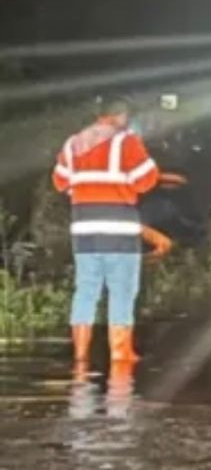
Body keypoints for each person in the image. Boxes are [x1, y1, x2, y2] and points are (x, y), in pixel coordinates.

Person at [52, 97, 160, 364]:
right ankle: (121, 352)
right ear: (121, 116)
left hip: (84, 229)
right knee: (122, 290)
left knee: (85, 290)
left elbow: (60, 182)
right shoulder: (126, 141)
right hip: (118, 229)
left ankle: (80, 354)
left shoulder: (73, 143)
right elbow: (147, 180)